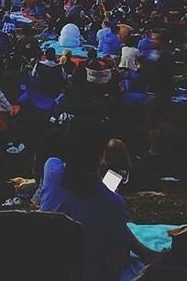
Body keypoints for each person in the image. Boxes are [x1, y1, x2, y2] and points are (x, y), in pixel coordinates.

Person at [39, 118, 159, 280]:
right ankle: (146, 253)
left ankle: (145, 253)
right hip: (86, 274)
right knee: (114, 241)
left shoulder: (51, 169)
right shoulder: (111, 202)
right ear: (102, 155)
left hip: (50, 265)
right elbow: (113, 263)